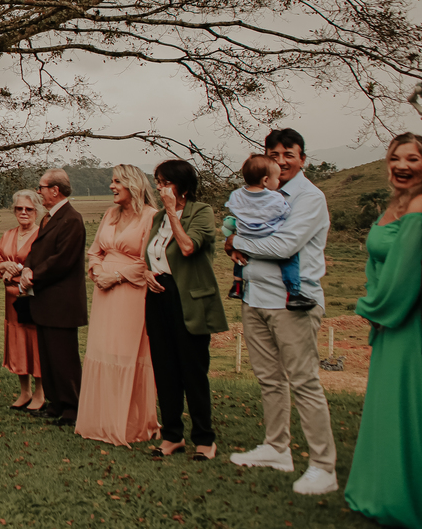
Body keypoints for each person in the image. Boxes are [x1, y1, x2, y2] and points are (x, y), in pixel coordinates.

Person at [227, 129, 338, 495]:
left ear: (302, 159)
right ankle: (276, 448)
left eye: (289, 154)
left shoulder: (309, 197)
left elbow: (284, 245)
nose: (281, 160)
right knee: (269, 379)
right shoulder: (258, 193)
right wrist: (234, 240)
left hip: (293, 302)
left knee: (304, 381)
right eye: (273, 154)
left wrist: (235, 241)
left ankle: (323, 466)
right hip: (254, 297)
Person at [344, 132, 422, 527]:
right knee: (388, 404)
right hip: (389, 320)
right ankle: (383, 489)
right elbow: (377, 261)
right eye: (396, 158)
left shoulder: (420, 207)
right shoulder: (394, 204)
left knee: (408, 404)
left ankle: (407, 497)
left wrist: (372, 307)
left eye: (413, 159)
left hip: (409, 321)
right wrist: (374, 296)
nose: (402, 166)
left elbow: (407, 272)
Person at [144, 159, 227, 460]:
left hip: (188, 299)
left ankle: (204, 439)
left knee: (193, 371)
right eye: (158, 182)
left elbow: (188, 247)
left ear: (183, 186)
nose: (160, 188)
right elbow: (152, 253)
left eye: (165, 182)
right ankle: (172, 436)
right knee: (165, 369)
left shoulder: (200, 212)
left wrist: (172, 212)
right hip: (158, 296)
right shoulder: (157, 218)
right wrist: (147, 272)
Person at [76, 164, 160, 447]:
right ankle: (99, 420)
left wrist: (117, 276)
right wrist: (98, 272)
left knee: (125, 352)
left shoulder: (151, 216)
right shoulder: (110, 214)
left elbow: (149, 261)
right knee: (102, 350)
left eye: (116, 182)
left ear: (132, 185)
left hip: (131, 291)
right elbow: (95, 251)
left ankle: (129, 424)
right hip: (104, 291)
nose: (111, 186)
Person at [15, 168, 86, 426]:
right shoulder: (49, 218)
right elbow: (36, 251)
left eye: (41, 188)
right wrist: (27, 268)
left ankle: (72, 410)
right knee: (48, 357)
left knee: (64, 358)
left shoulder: (72, 220)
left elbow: (62, 260)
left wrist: (34, 275)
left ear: (55, 190)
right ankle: (55, 404)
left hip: (62, 303)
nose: (39, 192)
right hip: (45, 301)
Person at [222, 154, 315, 310]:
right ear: (265, 180)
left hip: (245, 235)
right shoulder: (275, 197)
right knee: (290, 259)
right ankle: (293, 292)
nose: (278, 182)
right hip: (267, 235)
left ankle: (237, 285)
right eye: (276, 178)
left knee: (240, 257)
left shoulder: (237, 195)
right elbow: (285, 212)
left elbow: (232, 208)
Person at [0, 189, 45, 411]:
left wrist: (18, 271)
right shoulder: (7, 234)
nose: (23, 212)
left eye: (28, 209)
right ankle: (25, 392)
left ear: (37, 211)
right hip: (11, 300)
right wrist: (4, 266)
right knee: (17, 341)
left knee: (35, 342)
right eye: (19, 208)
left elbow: (43, 267)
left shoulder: (42, 236)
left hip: (31, 297)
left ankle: (40, 394)